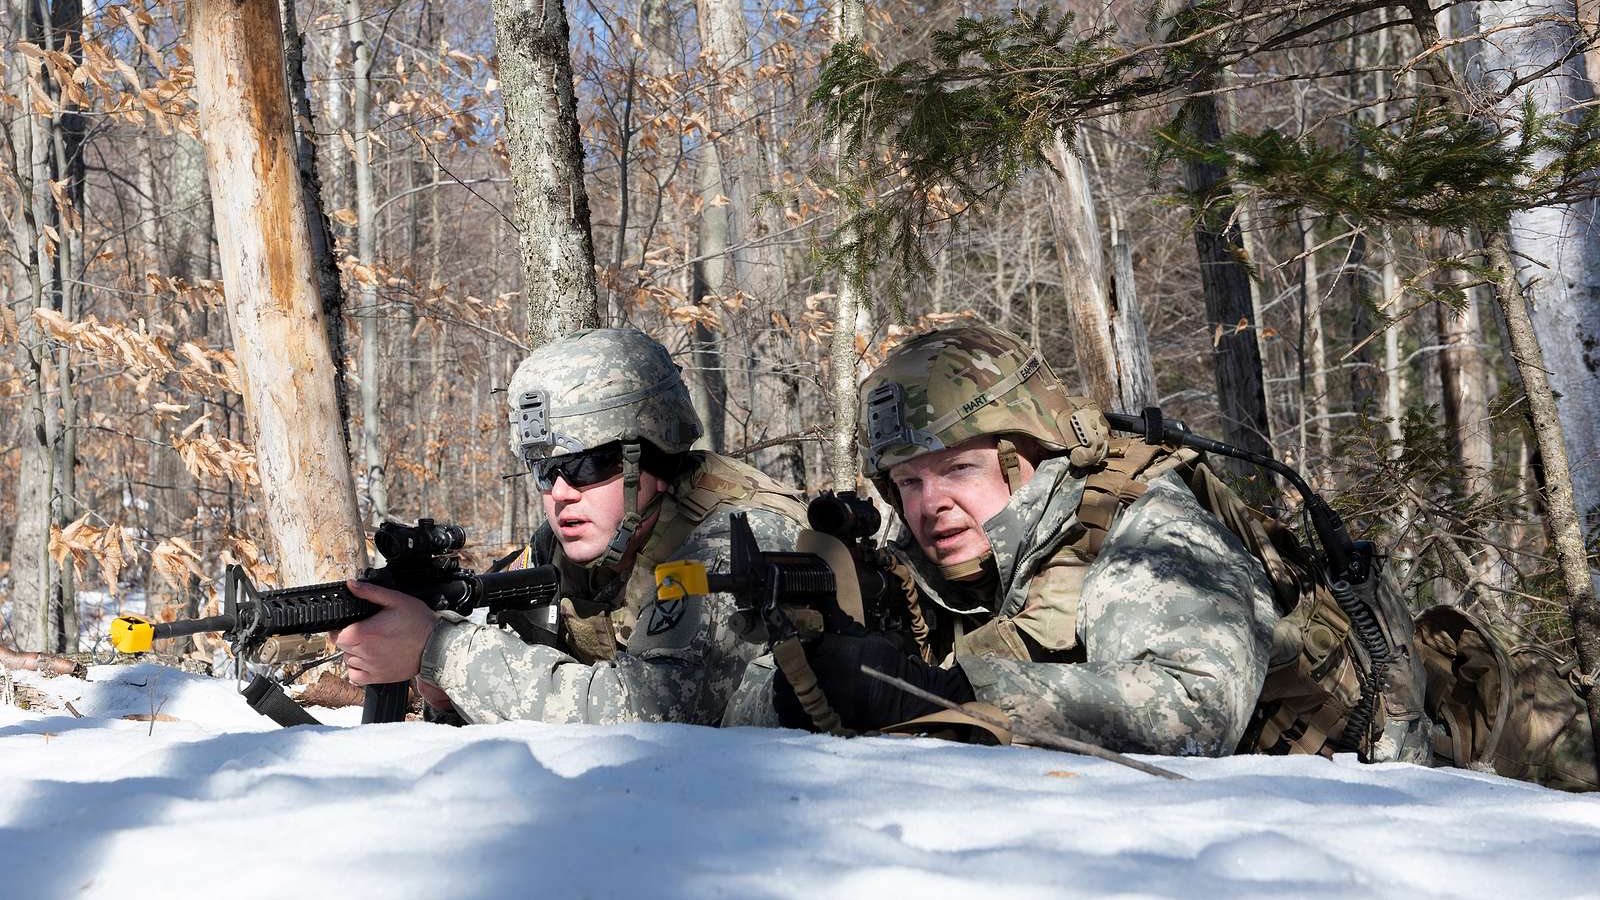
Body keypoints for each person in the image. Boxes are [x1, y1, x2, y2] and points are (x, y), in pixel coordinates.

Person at [755, 323, 1285, 756]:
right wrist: (802, 686)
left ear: (1027, 453)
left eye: (960, 469)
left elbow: (1197, 710)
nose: (929, 504)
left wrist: (951, 695)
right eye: (909, 481)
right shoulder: (918, 574)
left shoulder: (1144, 526)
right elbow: (734, 716)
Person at [335, 327, 808, 725]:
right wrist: (446, 695)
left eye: (586, 465)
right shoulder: (564, 549)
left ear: (654, 458)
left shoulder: (734, 543)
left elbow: (651, 717)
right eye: (544, 470)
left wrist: (444, 650)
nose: (560, 492)